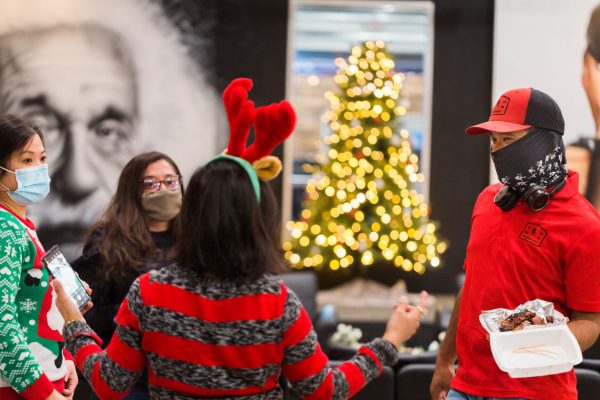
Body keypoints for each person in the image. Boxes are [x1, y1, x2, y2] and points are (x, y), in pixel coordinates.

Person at [52, 79, 429, 399]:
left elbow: (109, 384)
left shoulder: (149, 293)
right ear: (257, 221)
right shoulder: (278, 303)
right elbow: (325, 389)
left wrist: (73, 322)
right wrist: (390, 340)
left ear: (192, 213)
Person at [429, 88, 600, 400]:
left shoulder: (585, 224)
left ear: (545, 142)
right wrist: (444, 361)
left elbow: (590, 322)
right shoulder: (487, 201)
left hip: (535, 392)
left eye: (509, 140)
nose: (497, 150)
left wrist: (529, 343)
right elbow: (471, 287)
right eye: (493, 141)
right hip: (465, 386)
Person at [0, 24, 139, 259]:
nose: (79, 179)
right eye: (27, 159)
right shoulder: (9, 233)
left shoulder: (26, 231)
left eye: (107, 131)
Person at [72, 151, 184, 399]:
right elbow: (88, 312)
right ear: (132, 191)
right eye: (151, 183)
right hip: (126, 377)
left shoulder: (193, 239)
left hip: (180, 374)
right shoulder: (108, 242)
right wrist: (138, 312)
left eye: (170, 181)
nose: (163, 189)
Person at [0, 114, 86, 400]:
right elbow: (2, 322)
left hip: (47, 378)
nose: (38, 169)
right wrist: (43, 393)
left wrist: (64, 360)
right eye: (26, 161)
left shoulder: (20, 224)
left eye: (42, 158)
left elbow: (32, 313)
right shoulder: (4, 229)